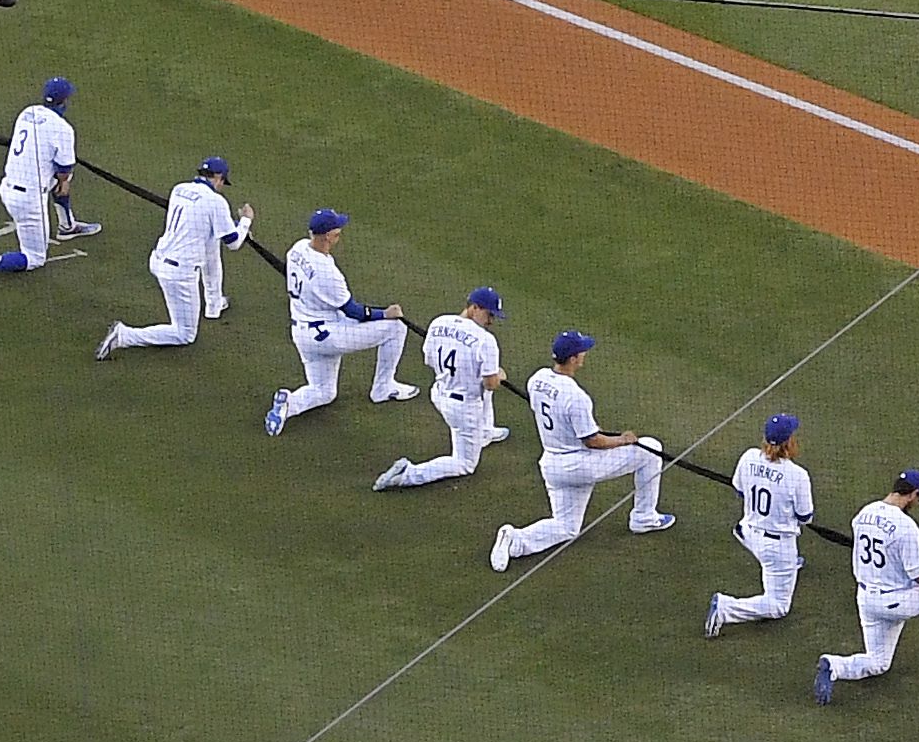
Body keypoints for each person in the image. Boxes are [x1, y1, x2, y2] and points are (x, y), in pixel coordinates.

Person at [488, 333, 672, 570]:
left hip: (552, 465)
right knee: (651, 449)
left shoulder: (537, 379)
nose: (585, 354)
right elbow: (593, 441)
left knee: (566, 527)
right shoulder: (576, 397)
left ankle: (514, 539)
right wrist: (623, 440)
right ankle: (644, 517)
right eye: (582, 351)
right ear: (574, 358)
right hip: (580, 466)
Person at [815, 468, 919, 685]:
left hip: (866, 600)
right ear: (913, 494)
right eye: (918, 498)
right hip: (898, 602)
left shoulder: (864, 513)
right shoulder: (906, 527)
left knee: (879, 663)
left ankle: (835, 665)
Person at [260, 208, 414, 429]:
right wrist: (385, 313)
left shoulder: (297, 248)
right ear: (328, 236)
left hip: (302, 333)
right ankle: (383, 388)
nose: (340, 233)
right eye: (337, 230)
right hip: (327, 334)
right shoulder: (327, 274)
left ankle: (289, 403)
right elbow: (354, 312)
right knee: (395, 328)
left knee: (324, 392)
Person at [0, 77, 95, 287]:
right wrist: (63, 183)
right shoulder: (63, 128)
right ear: (65, 101)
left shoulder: (28, 112)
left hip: (8, 186)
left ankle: (67, 226)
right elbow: (65, 170)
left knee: (57, 178)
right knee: (34, 258)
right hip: (29, 199)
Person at [98, 157, 249, 358]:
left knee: (211, 245)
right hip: (179, 273)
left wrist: (234, 226)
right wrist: (246, 221)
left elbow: (203, 223)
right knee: (185, 333)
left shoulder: (179, 189)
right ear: (219, 178)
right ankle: (125, 336)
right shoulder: (216, 202)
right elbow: (234, 243)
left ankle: (214, 303)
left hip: (159, 258)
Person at [376, 287, 510, 491]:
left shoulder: (438, 322)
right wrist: (498, 375)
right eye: (489, 314)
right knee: (465, 464)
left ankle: (484, 432)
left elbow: (428, 360)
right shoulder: (486, 341)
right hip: (464, 409)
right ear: (474, 308)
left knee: (481, 389)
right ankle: (409, 474)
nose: (491, 321)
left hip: (439, 394)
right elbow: (490, 383)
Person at [703, 416, 817, 635]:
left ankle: (788, 562)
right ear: (788, 442)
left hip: (748, 530)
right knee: (778, 606)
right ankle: (726, 608)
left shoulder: (748, 457)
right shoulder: (798, 475)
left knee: (777, 554)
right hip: (776, 546)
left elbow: (739, 489)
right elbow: (805, 517)